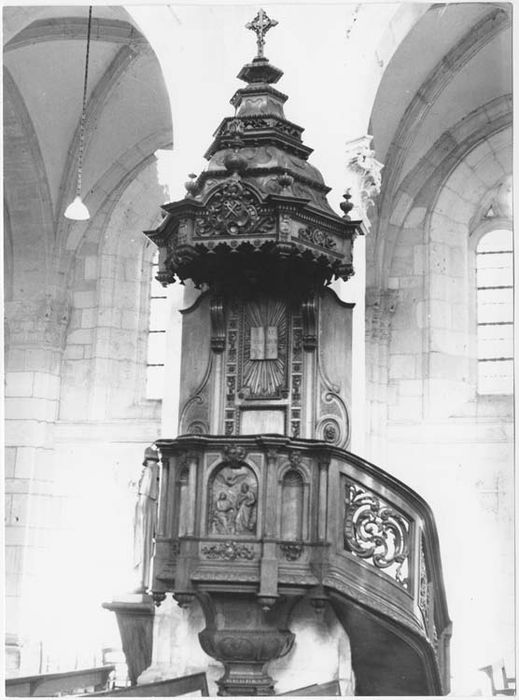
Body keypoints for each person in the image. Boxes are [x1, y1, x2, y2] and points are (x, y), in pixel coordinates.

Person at [133, 445, 160, 593]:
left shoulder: (150, 471)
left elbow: (144, 497)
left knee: (143, 543)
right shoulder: (153, 471)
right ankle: (142, 580)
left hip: (144, 513)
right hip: (146, 511)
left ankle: (142, 580)